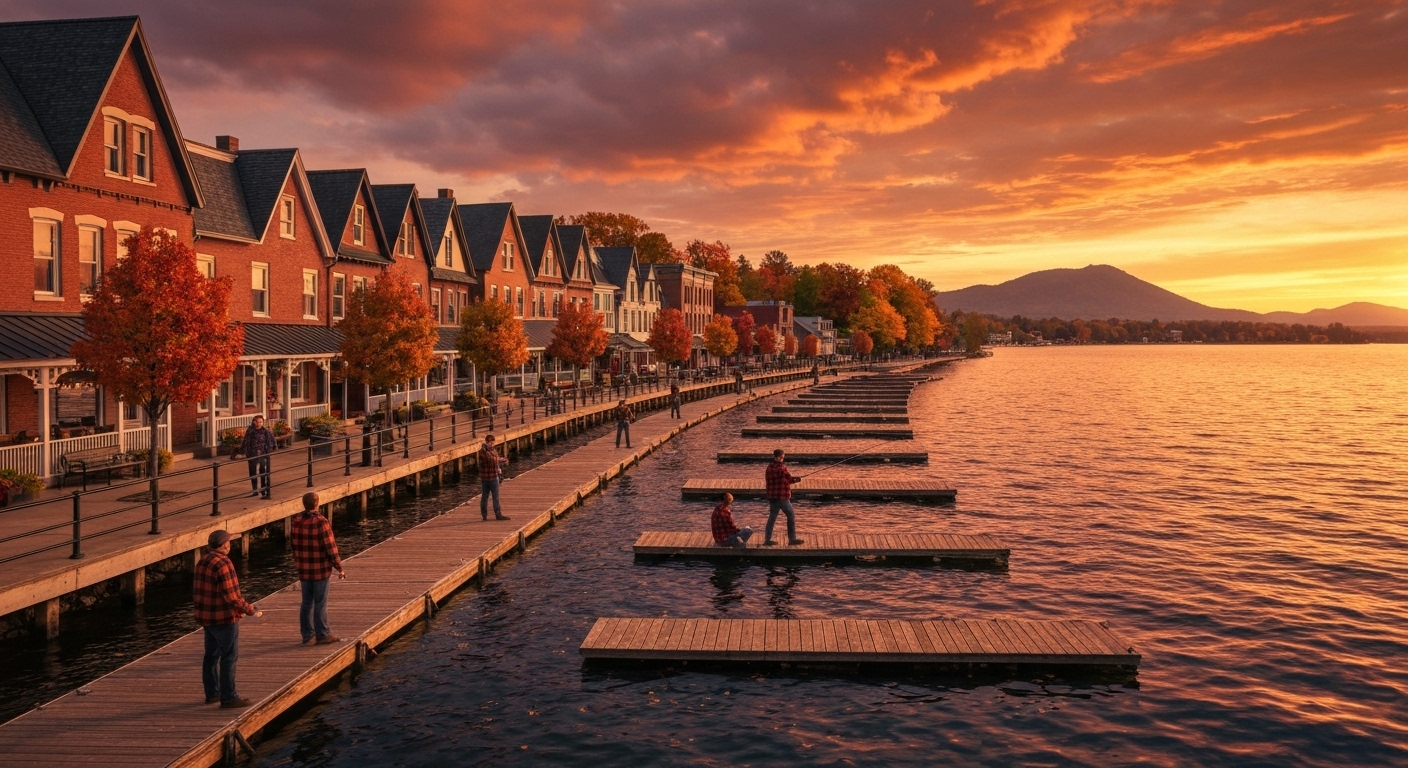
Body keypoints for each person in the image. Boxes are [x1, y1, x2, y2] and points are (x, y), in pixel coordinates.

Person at [194, 529, 261, 708]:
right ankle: (229, 697)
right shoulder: (223, 563)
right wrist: (249, 609)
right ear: (225, 545)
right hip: (224, 618)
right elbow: (232, 597)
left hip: (206, 617)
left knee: (211, 656)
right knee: (229, 656)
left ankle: (212, 693)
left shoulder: (202, 560)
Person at [291, 492, 344, 646]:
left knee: (306, 602)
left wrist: (298, 562)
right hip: (320, 569)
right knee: (320, 603)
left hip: (304, 568)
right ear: (317, 503)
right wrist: (339, 568)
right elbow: (331, 548)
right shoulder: (321, 522)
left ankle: (307, 635)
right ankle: (323, 634)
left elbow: (293, 545)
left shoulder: (296, 520)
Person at [764, 449, 804, 546]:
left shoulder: (769, 467)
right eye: (782, 457)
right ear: (777, 457)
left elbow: (783, 479)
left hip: (772, 497)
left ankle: (767, 540)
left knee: (772, 518)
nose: (783, 459)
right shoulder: (782, 468)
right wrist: (798, 479)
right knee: (791, 516)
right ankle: (792, 539)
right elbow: (789, 479)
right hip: (782, 497)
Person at [239, 415, 277, 499]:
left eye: (260, 422)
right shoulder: (250, 431)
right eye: (257, 422)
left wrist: (269, 451)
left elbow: (273, 442)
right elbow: (245, 441)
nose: (259, 424)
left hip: (262, 455)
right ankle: (254, 490)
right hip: (252, 454)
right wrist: (242, 451)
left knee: (263, 473)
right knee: (252, 473)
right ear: (253, 422)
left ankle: (263, 491)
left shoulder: (266, 432)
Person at [478, 433, 510, 521]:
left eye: (492, 443)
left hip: (491, 476)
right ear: (486, 442)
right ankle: (489, 515)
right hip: (488, 478)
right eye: (489, 442)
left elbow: (496, 459)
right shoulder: (483, 451)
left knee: (491, 496)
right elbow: (491, 461)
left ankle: (492, 515)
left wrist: (503, 460)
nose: (491, 444)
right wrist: (502, 461)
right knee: (488, 496)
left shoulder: (493, 450)